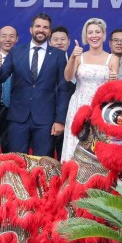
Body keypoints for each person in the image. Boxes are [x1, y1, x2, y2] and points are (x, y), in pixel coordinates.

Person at [0, 13, 68, 157]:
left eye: (45, 27)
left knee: (43, 163)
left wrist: (60, 120)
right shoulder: (16, 51)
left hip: (45, 119)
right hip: (18, 118)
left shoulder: (58, 55)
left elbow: (63, 89)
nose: (41, 30)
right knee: (17, 162)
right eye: (38, 26)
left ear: (49, 31)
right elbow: (1, 78)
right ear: (31, 29)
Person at [60, 17, 120, 161]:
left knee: (99, 143)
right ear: (86, 36)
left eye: (98, 32)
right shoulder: (79, 57)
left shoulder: (112, 58)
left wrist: (114, 79)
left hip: (101, 107)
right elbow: (67, 77)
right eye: (90, 32)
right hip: (79, 104)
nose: (94, 35)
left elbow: (114, 88)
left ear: (104, 35)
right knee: (76, 141)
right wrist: (72, 57)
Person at [0, 25, 18, 154]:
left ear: (17, 39)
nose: (7, 39)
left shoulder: (22, 60)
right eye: (4, 36)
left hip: (14, 111)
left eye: (11, 36)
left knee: (11, 152)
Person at [48, 26, 73, 158]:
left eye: (63, 39)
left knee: (67, 156)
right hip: (47, 115)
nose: (59, 42)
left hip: (72, 115)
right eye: (55, 39)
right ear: (49, 42)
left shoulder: (77, 61)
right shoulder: (43, 63)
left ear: (69, 42)